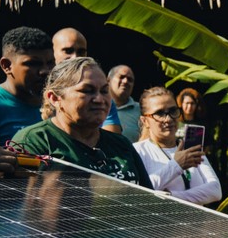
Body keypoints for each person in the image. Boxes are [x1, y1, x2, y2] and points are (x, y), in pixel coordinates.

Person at [12, 57, 151, 187]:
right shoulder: (32, 142)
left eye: (104, 91)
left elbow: (149, 202)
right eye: (87, 90)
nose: (99, 99)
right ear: (54, 98)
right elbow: (20, 205)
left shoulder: (121, 145)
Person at [133, 87, 222, 205]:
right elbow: (139, 191)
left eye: (173, 111)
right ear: (145, 121)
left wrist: (172, 196)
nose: (168, 119)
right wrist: (176, 165)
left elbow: (215, 190)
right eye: (159, 113)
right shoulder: (138, 151)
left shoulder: (190, 148)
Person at [52, 27, 123, 134]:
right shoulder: (33, 91)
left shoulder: (101, 98)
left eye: (81, 52)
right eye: (68, 51)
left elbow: (112, 140)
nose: (75, 57)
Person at [0, 27, 54, 143]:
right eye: (33, 63)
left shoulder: (60, 104)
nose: (45, 71)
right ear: (7, 66)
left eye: (50, 63)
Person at [107, 65, 140, 142]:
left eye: (130, 80)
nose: (125, 81)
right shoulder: (98, 106)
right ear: (108, 81)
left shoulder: (141, 110)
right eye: (121, 77)